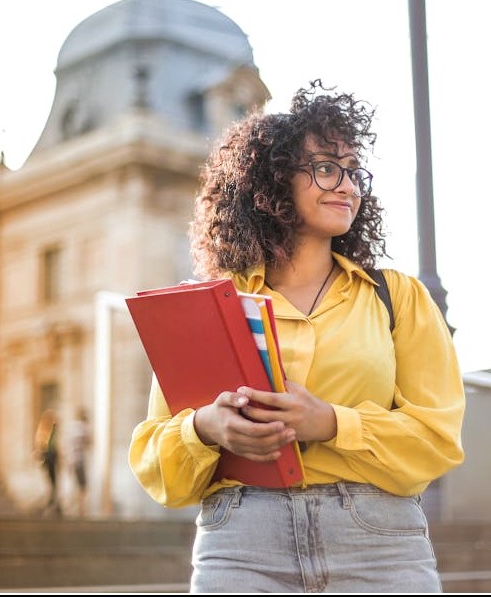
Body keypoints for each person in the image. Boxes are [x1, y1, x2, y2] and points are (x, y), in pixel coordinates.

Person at [128, 80, 465, 593]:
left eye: (354, 172)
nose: (348, 185)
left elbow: (438, 439)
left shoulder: (397, 297)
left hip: (377, 541)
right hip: (241, 541)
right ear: (273, 180)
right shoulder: (211, 305)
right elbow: (157, 460)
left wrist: (331, 422)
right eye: (327, 167)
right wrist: (205, 428)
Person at [34, 408, 60, 516]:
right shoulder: (46, 430)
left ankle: (53, 501)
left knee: (52, 481)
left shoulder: (49, 430)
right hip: (49, 456)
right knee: (51, 480)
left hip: (51, 456)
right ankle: (51, 501)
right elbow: (42, 445)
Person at [67, 407, 92, 517]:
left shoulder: (72, 427)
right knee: (83, 486)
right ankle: (81, 510)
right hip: (79, 460)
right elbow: (89, 442)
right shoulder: (82, 428)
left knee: (75, 484)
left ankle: (76, 508)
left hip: (71, 459)